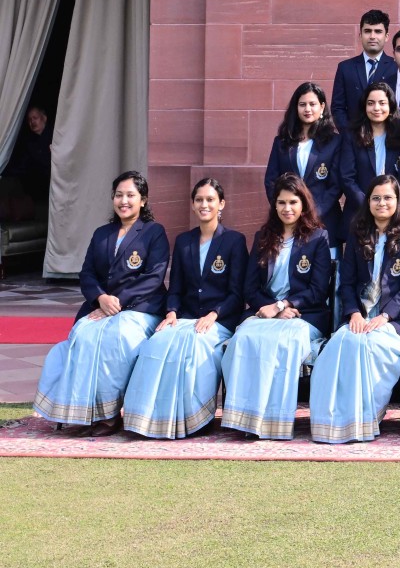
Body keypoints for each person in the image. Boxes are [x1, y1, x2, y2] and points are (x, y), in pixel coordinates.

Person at [34, 171, 169, 434]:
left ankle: (109, 415)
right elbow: (87, 274)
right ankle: (84, 412)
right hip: (100, 307)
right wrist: (101, 298)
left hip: (139, 309)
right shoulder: (101, 233)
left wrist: (117, 303)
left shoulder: (153, 232)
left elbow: (154, 277)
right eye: (119, 195)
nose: (124, 201)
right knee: (83, 335)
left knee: (117, 338)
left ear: (143, 200)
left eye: (131, 195)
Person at [123, 178, 248, 439]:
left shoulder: (234, 241)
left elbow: (238, 294)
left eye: (210, 200)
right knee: (158, 344)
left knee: (195, 348)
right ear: (192, 204)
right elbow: (176, 288)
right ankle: (151, 419)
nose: (204, 205)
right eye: (199, 200)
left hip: (219, 321)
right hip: (185, 317)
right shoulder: (183, 241)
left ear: (221, 204)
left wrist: (214, 315)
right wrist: (171, 312)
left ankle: (194, 420)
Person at [218, 174, 335, 440]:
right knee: (245, 338)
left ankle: (274, 421)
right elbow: (250, 288)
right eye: (281, 202)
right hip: (264, 314)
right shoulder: (263, 237)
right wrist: (269, 308)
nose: (287, 208)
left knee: (283, 342)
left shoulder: (318, 238)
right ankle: (244, 418)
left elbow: (318, 290)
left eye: (293, 202)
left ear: (303, 204)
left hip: (304, 316)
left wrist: (283, 305)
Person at [309, 174, 400, 443]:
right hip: (359, 317)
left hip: (394, 320)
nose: (381, 203)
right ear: (368, 202)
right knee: (340, 345)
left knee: (372, 347)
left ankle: (366, 417)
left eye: (387, 197)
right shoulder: (357, 234)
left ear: (398, 201)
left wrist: (385, 316)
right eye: (376, 198)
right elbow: (346, 283)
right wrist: (355, 314)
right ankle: (336, 420)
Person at [337, 79, 400, 253]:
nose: (376, 108)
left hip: (395, 215)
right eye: (371, 103)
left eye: (382, 103)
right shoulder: (352, 137)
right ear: (364, 107)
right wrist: (370, 204)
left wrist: (390, 205)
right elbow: (347, 177)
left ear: (391, 106)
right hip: (359, 214)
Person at [263, 82, 343, 244]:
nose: (307, 109)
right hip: (288, 222)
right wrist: (287, 211)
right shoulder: (282, 142)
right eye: (302, 104)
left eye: (312, 104)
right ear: (296, 108)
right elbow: (271, 181)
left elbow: (336, 186)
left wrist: (312, 213)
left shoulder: (335, 141)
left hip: (324, 220)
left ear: (321, 107)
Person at [330, 9, 397, 131]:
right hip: (353, 139)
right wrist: (349, 135)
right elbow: (337, 108)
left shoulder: (396, 67)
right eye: (367, 31)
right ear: (360, 35)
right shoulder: (345, 68)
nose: (372, 36)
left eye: (378, 31)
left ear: (386, 36)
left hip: (388, 139)